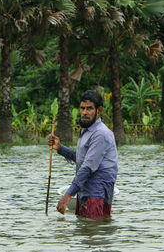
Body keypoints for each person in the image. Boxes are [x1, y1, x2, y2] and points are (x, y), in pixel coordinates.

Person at [48, 90, 118, 218]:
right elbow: (81, 158)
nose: (85, 112)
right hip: (84, 192)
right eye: (82, 108)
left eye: (89, 108)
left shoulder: (101, 134)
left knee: (93, 233)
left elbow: (87, 167)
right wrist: (60, 148)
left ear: (99, 110)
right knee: (85, 232)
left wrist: (68, 195)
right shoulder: (86, 131)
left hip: (97, 193)